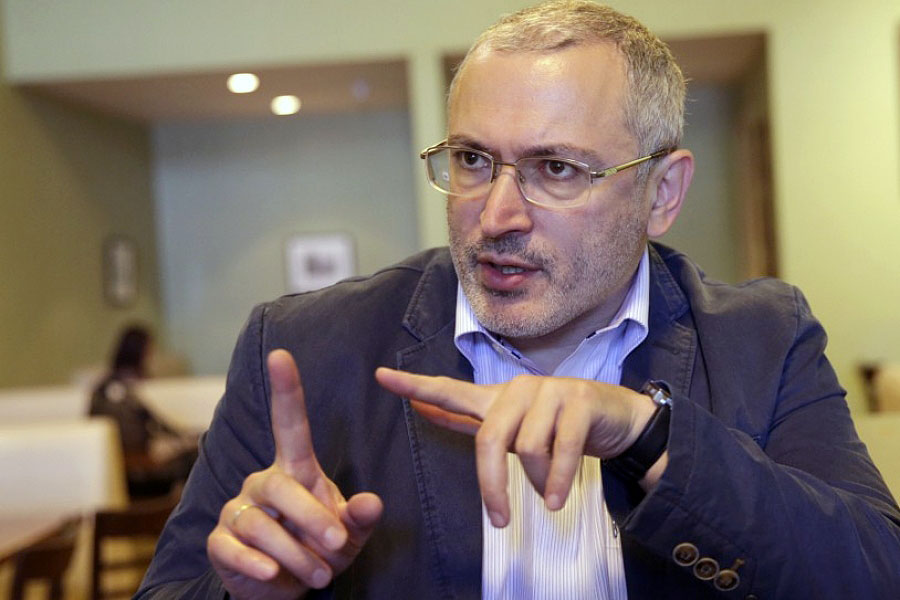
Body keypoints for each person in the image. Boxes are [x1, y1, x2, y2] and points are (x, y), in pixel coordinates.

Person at [137, 2, 900, 598]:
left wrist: (650, 437)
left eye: (557, 168)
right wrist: (249, 591)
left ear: (662, 193)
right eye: (473, 159)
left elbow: (875, 573)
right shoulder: (304, 349)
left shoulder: (763, 338)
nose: (497, 215)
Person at [90, 325, 197, 498]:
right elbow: (153, 424)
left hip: (125, 469)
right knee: (196, 457)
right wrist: (184, 438)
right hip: (137, 472)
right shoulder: (125, 389)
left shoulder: (104, 388)